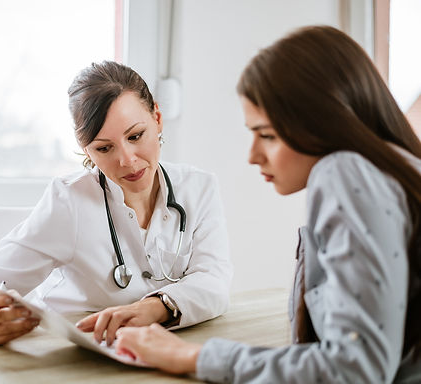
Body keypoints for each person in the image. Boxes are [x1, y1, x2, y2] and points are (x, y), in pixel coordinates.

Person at [114, 25, 421, 383]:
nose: (253, 156)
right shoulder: (400, 168)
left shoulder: (343, 172)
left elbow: (354, 369)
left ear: (326, 122)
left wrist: (194, 356)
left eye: (267, 135)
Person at [0, 61, 232, 347]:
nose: (127, 160)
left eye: (135, 136)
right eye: (104, 148)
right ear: (86, 150)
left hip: (156, 353)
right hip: (71, 354)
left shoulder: (199, 188)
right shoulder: (69, 201)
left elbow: (215, 281)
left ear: (157, 118)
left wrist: (155, 307)